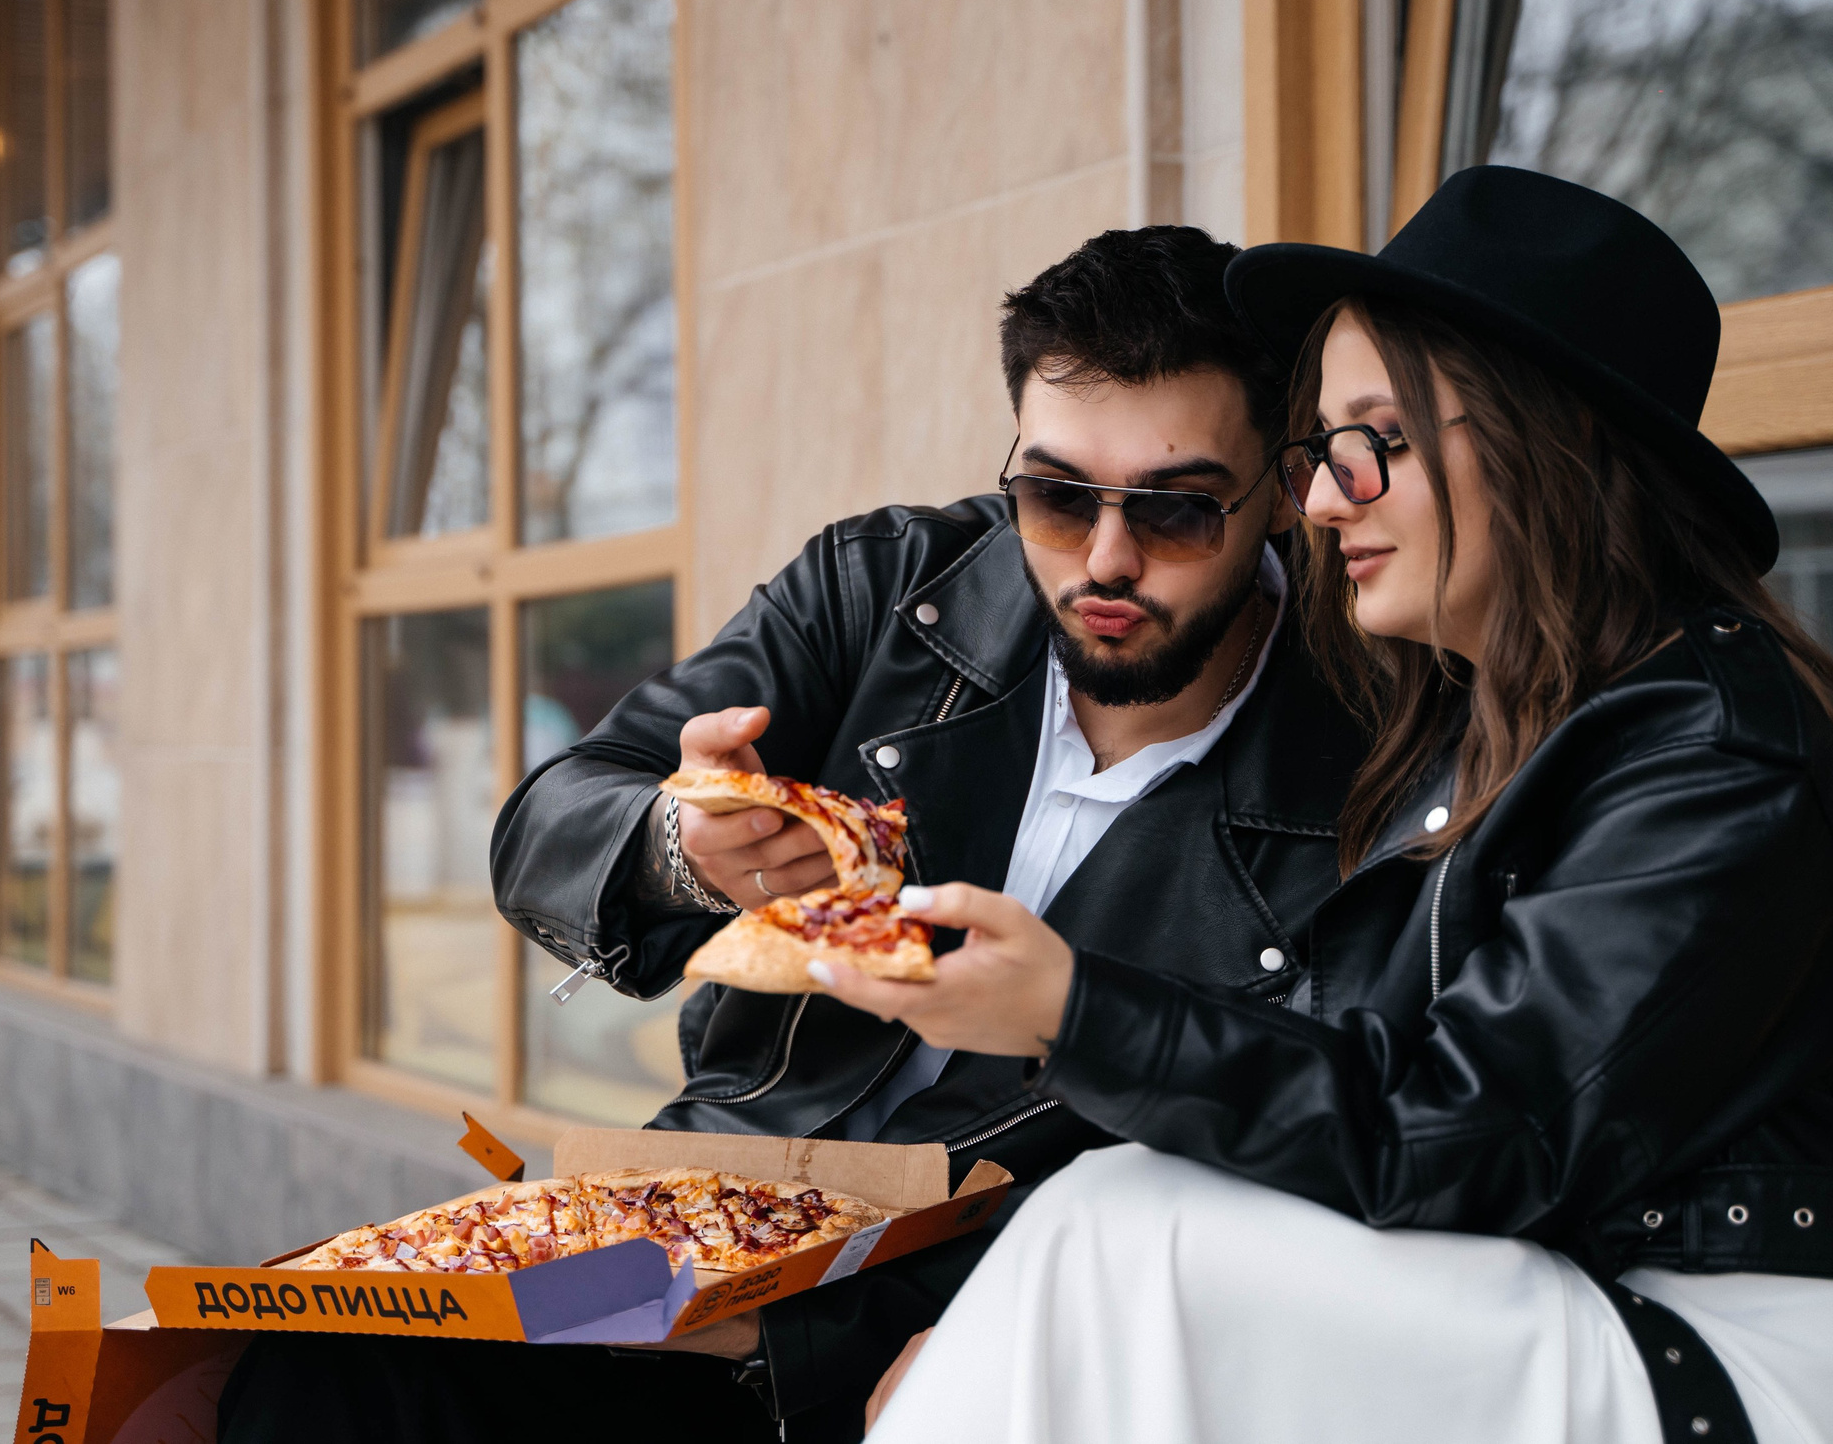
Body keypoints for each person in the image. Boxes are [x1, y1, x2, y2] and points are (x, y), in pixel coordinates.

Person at [828, 168, 1833, 1443]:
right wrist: (1007, 1329)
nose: (1322, 502)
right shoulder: (1493, 736)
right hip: (1552, 1304)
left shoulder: (1719, 754)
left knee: (1119, 1237)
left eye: (1373, 444)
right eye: (1320, 450)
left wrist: (1071, 1008)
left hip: (1752, 1369)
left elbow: (1467, 1135)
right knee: (1099, 1231)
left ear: (1537, 443)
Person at [213, 226, 1369, 1444]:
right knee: (325, 1359)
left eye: (1178, 510)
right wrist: (682, 843)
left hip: (975, 1297)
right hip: (697, 1210)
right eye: (1054, 495)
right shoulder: (884, 586)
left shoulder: (1367, 750)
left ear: (1283, 493)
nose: (1105, 557)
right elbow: (551, 816)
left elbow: (1294, 1147)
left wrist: (843, 1329)